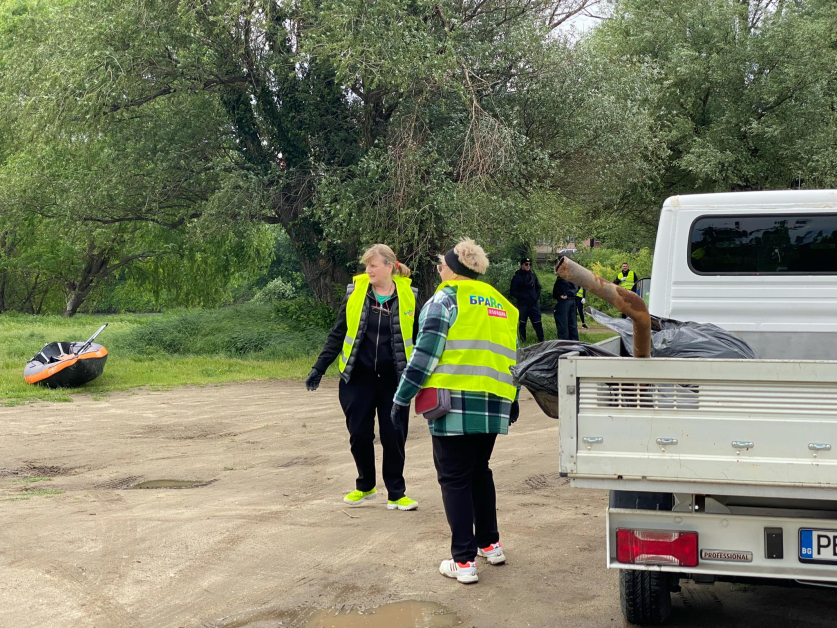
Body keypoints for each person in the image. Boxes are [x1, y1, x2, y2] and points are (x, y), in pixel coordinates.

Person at [391, 238, 520, 585]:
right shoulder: (503, 304)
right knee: (479, 471)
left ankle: (463, 561)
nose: (439, 271)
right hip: (495, 401)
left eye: (441, 266)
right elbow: (514, 357)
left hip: (453, 403)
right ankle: (490, 544)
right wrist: (514, 397)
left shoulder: (445, 299)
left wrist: (401, 398)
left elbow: (425, 355)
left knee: (454, 478)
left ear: (453, 269)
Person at [305, 244, 419, 511]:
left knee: (394, 436)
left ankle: (397, 493)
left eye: (373, 265)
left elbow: (422, 338)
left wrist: (422, 376)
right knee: (359, 434)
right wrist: (319, 367)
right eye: (367, 265)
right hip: (357, 379)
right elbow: (338, 333)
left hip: (394, 381)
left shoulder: (410, 296)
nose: (368, 270)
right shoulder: (355, 293)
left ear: (389, 267)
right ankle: (365, 486)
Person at [509, 257, 544, 343]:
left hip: (533, 304)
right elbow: (512, 291)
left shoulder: (533, 276)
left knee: (538, 322)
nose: (528, 266)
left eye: (529, 264)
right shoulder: (516, 277)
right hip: (523, 304)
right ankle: (523, 341)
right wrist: (522, 296)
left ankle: (541, 341)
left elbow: (538, 287)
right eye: (526, 264)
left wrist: (536, 297)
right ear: (522, 265)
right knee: (522, 323)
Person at [552, 261, 578, 341]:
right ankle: (575, 343)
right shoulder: (573, 276)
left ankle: (564, 343)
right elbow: (577, 288)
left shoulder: (562, 277)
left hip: (565, 301)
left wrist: (561, 295)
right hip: (572, 300)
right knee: (572, 324)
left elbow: (556, 291)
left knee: (563, 325)